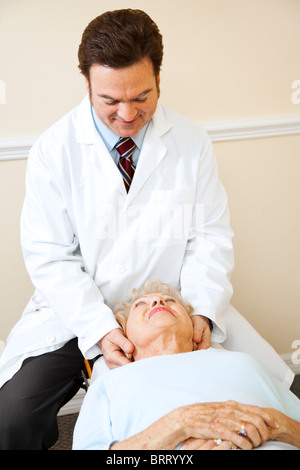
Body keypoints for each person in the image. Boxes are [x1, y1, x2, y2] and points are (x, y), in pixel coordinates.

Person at [0, 9, 234, 449]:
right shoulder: (54, 150)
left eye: (142, 96)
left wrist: (201, 310)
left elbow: (211, 238)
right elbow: (50, 257)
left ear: (159, 79)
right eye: (110, 100)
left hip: (168, 308)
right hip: (77, 316)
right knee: (9, 419)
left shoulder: (192, 142)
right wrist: (101, 330)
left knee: (230, 398)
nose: (127, 114)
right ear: (87, 85)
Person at [73, 280, 300, 451]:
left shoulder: (243, 362)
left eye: (170, 301)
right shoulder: (110, 384)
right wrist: (178, 424)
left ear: (194, 332)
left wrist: (276, 425)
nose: (158, 301)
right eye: (140, 305)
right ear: (125, 339)